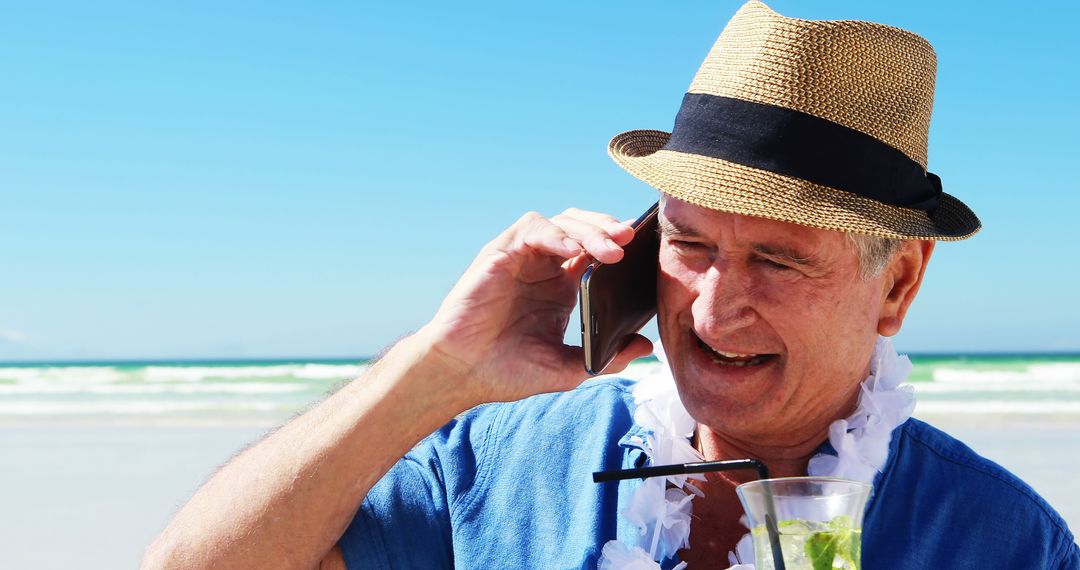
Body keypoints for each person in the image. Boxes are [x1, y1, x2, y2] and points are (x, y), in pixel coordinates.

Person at [142, 2, 1079, 569]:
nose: (713, 308)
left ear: (897, 285)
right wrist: (436, 368)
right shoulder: (492, 470)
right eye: (690, 244)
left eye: (780, 260)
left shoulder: (1001, 542)